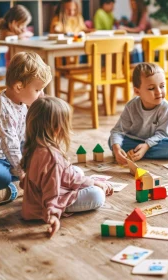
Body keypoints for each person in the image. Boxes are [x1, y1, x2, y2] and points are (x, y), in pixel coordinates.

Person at [20, 97, 113, 238]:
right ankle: (58, 208)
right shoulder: (52, 158)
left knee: (76, 170)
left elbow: (68, 176)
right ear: (57, 129)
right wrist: (53, 215)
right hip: (43, 205)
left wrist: (93, 181)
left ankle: (88, 184)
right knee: (97, 195)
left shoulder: (34, 145)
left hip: (36, 196)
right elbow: (51, 192)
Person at [0, 52, 51, 208]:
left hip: (10, 154)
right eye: (38, 90)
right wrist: (23, 173)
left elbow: (26, 137)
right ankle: (14, 189)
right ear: (19, 87)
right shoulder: (4, 109)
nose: (42, 95)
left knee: (42, 155)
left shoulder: (21, 101)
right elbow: (10, 144)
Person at [109, 63, 168, 165]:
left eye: (162, 86)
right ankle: (135, 153)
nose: (158, 92)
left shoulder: (165, 107)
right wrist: (116, 147)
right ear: (137, 91)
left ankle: (136, 153)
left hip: (154, 144)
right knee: (112, 142)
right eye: (151, 88)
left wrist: (146, 146)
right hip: (132, 140)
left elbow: (163, 134)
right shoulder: (131, 106)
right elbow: (118, 131)